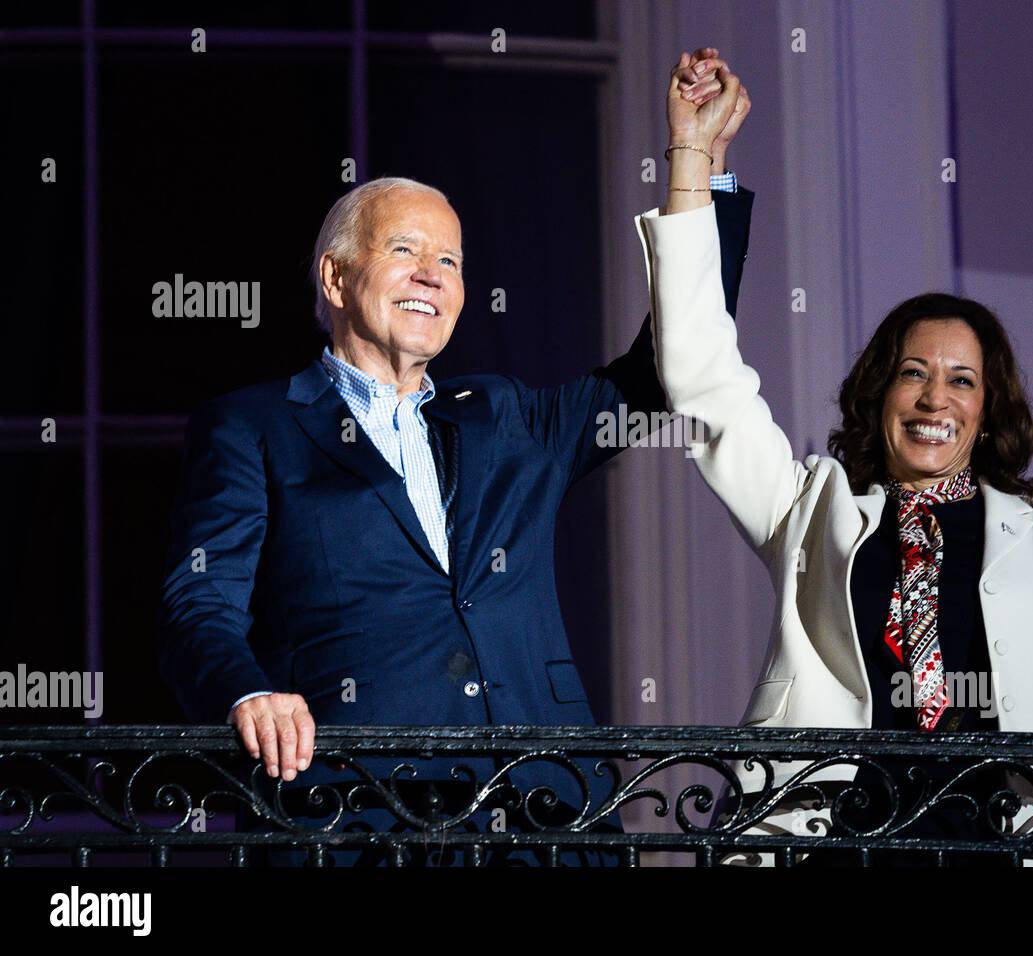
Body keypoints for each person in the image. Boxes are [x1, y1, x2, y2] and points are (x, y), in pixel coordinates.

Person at [156, 52, 753, 865]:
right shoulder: (252, 427)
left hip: (549, 815)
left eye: (452, 262)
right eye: (406, 251)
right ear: (335, 277)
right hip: (356, 817)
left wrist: (696, 162)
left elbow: (664, 369)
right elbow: (199, 608)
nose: (432, 276)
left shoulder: (505, 416)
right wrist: (249, 693)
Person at [634, 57, 1033, 867]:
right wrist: (694, 159)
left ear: (988, 411)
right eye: (913, 372)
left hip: (1002, 851)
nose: (933, 398)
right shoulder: (811, 507)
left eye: (961, 380)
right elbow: (702, 378)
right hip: (836, 845)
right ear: (880, 394)